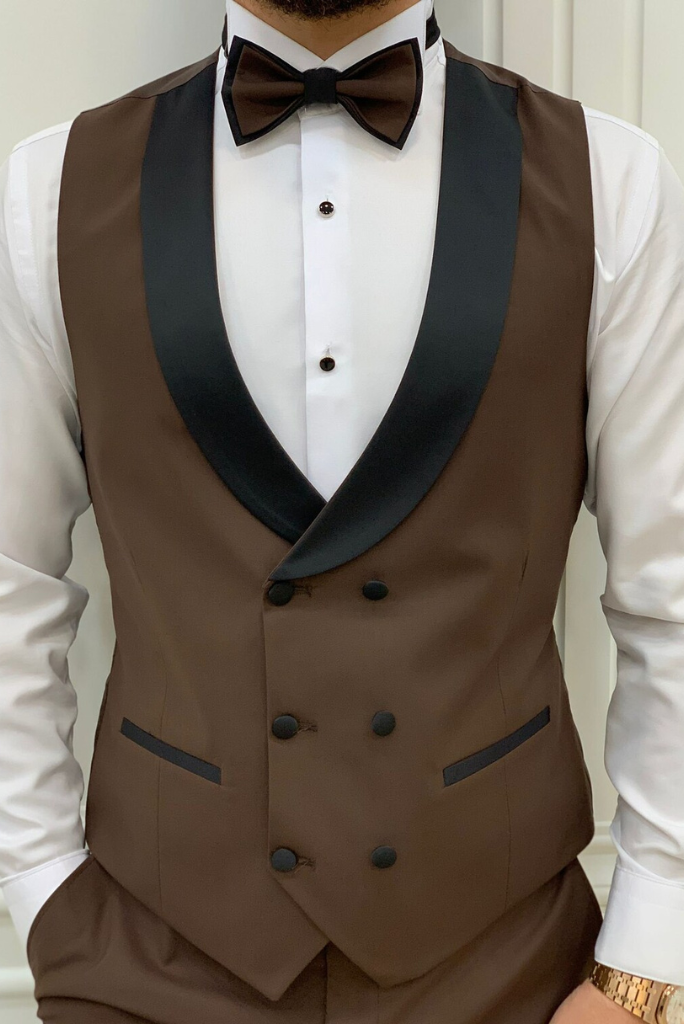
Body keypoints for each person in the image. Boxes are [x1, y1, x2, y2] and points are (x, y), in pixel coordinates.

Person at [1, 0, 683, 1020]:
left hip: (511, 970)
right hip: (146, 963)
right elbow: (10, 581)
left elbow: (671, 592)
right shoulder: (50, 190)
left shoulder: (611, 184)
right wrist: (45, 894)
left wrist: (641, 967)